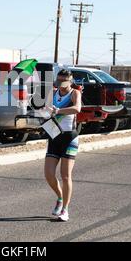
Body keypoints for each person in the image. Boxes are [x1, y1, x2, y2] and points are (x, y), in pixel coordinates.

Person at [44, 69, 81, 222]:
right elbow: (46, 109)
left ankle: (65, 209)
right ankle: (60, 197)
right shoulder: (52, 92)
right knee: (49, 174)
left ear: (70, 80)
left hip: (69, 137)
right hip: (54, 135)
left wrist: (59, 110)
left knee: (65, 176)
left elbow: (77, 108)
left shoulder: (75, 93)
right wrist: (45, 112)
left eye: (65, 81)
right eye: (60, 80)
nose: (62, 84)